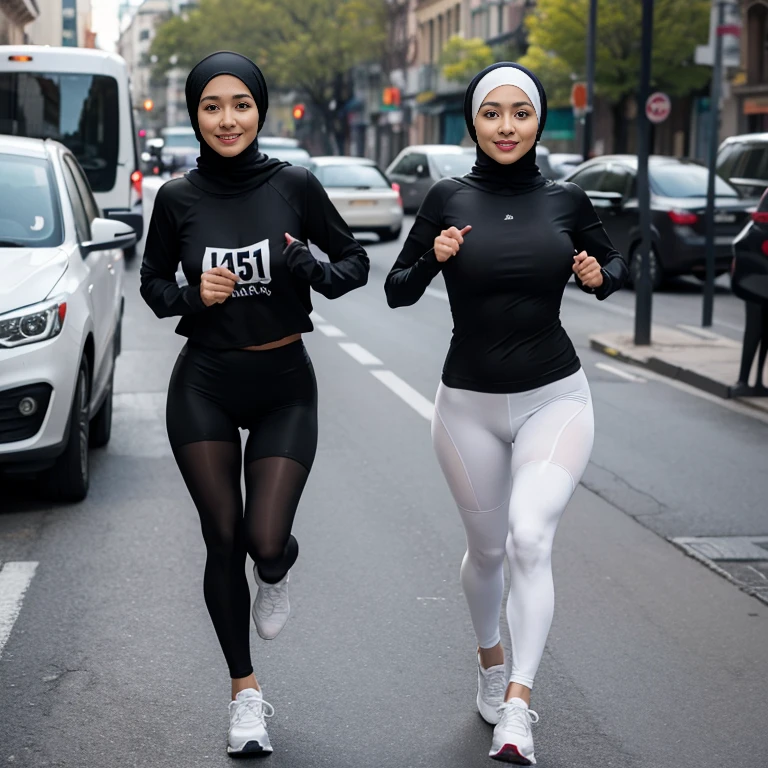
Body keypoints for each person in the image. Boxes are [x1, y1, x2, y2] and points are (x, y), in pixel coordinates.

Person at [385, 62, 627, 765]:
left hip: (556, 398)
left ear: (536, 120)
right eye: (493, 113)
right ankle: (491, 658)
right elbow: (398, 289)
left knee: (529, 538)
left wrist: (597, 276)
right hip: (466, 407)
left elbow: (613, 269)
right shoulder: (446, 196)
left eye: (521, 113)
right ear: (474, 121)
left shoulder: (567, 198)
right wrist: (432, 254)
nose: (508, 126)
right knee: (488, 552)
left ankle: (517, 705)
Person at [139, 51, 369, 756]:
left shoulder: (295, 184)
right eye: (212, 106)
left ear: (260, 109)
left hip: (283, 385)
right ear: (195, 114)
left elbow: (354, 265)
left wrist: (313, 270)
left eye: (240, 104)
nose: (228, 118)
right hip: (204, 382)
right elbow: (151, 282)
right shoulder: (177, 198)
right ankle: (245, 695)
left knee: (263, 542)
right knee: (222, 537)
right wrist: (187, 297)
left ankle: (278, 569)